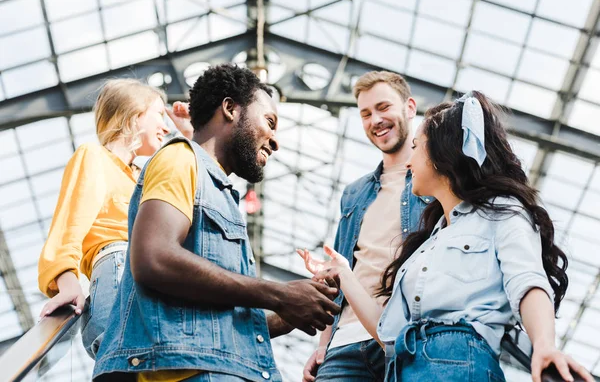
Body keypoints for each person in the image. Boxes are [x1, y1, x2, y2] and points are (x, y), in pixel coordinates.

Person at [299, 91, 594, 382]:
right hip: (403, 368)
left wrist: (543, 345)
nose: (409, 161)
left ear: (441, 155)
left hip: (460, 365)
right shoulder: (425, 246)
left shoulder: (501, 212)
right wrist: (344, 275)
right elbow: (387, 332)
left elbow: (527, 282)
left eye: (416, 147)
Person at [92, 64, 341, 382]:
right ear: (230, 108)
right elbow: (152, 258)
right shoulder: (180, 159)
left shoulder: (221, 194)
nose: (275, 141)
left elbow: (229, 321)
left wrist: (299, 304)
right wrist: (279, 294)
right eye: (269, 122)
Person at [37, 78, 192, 359]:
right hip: (120, 272)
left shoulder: (143, 178)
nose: (167, 126)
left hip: (153, 278)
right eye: (159, 113)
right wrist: (67, 281)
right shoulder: (94, 157)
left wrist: (191, 136)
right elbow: (68, 225)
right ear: (134, 114)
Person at [299, 71, 431, 382]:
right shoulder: (355, 193)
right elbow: (337, 270)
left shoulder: (438, 181)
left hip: (409, 339)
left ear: (410, 108)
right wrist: (323, 344)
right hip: (345, 347)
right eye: (366, 114)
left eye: (384, 107)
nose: (375, 120)